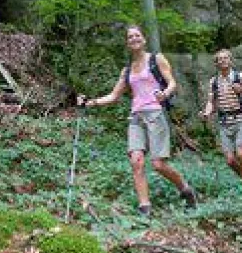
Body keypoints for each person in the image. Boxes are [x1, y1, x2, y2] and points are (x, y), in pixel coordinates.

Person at [78, 25, 196, 216]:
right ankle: (145, 207)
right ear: (127, 42)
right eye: (130, 37)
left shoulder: (156, 59)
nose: (134, 39)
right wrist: (89, 103)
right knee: (136, 161)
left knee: (158, 165)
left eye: (137, 35)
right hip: (136, 116)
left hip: (155, 114)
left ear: (144, 39)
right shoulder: (127, 70)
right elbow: (114, 96)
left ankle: (185, 188)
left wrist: (164, 94)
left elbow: (172, 82)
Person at [200, 49, 242, 182]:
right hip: (224, 122)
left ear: (230, 60)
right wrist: (206, 112)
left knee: (241, 154)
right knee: (230, 160)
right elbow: (211, 102)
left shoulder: (240, 76)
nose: (223, 60)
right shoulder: (214, 82)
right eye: (220, 59)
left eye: (225, 58)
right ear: (216, 63)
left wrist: (240, 89)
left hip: (241, 119)